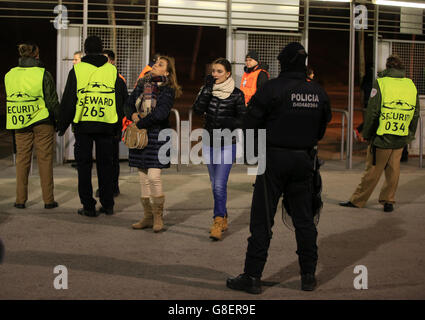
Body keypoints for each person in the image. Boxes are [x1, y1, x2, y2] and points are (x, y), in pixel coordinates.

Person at [226, 42, 332, 293]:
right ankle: (308, 276)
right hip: (304, 160)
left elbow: (251, 124)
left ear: (283, 62)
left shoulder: (272, 88)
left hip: (272, 159)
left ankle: (252, 276)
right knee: (305, 220)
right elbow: (321, 128)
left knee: (262, 220)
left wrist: (253, 154)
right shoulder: (318, 92)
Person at [339, 55, 419, 213]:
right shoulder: (410, 84)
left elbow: (373, 112)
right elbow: (415, 113)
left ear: (388, 67)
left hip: (382, 136)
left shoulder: (381, 83)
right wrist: (410, 133)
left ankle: (358, 200)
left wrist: (367, 133)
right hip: (401, 134)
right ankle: (388, 200)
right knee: (394, 169)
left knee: (373, 169)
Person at [58, 36, 126, 217]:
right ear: (101, 49)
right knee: (106, 165)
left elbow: (69, 100)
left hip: (83, 125)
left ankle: (88, 205)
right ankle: (108, 203)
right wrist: (119, 126)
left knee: (84, 166)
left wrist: (61, 124)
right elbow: (120, 100)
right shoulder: (112, 71)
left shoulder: (78, 70)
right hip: (106, 125)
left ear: (85, 50)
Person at [192, 58, 246, 241]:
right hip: (208, 143)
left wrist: (230, 122)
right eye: (213, 71)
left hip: (227, 144)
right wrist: (206, 90)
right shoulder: (207, 90)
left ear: (228, 73)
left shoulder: (237, 94)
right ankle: (223, 216)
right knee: (215, 184)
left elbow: (244, 119)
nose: (215, 74)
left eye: (219, 71)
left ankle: (217, 221)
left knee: (219, 184)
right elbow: (197, 111)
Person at [128, 55, 181, 232]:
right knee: (143, 178)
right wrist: (133, 116)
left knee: (153, 177)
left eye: (160, 65)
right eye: (155, 63)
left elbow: (161, 114)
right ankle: (147, 217)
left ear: (167, 71)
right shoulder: (142, 83)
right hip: (141, 136)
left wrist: (140, 123)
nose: (155, 66)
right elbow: (128, 104)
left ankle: (158, 217)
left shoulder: (168, 89)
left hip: (158, 136)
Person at [4, 42, 60, 209]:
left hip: (20, 122)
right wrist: (58, 120)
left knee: (22, 160)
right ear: (36, 55)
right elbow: (51, 101)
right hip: (42, 121)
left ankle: (20, 200)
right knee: (44, 160)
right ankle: (48, 200)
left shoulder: (10, 75)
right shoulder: (43, 74)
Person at [92, 49, 128, 198]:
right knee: (102, 159)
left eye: (106, 59)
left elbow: (124, 103)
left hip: (113, 125)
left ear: (113, 61)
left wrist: (120, 123)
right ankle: (105, 187)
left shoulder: (119, 79)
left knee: (112, 158)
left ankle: (113, 187)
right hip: (102, 123)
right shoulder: (98, 77)